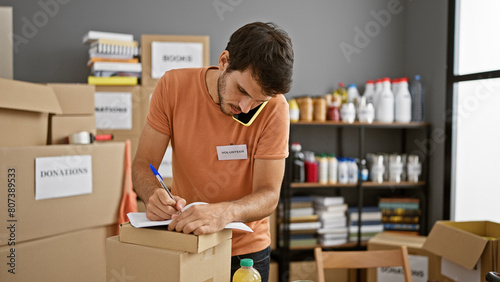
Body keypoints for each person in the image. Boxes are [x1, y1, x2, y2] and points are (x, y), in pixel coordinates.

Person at [132, 21, 294, 281]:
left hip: (246, 255)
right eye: (241, 90)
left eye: (257, 101)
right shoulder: (173, 86)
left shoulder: (275, 108)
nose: (245, 106)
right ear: (224, 61)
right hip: (188, 242)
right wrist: (153, 194)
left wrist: (226, 212)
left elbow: (269, 194)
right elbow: (143, 163)